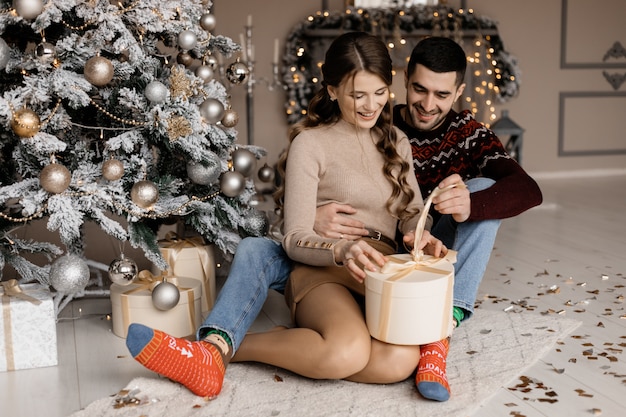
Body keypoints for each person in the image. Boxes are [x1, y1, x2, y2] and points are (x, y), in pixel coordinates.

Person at [125, 35, 542, 402]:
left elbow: (412, 213)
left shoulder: (396, 137)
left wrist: (420, 235)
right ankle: (206, 355)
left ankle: (231, 348)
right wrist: (340, 248)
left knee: (398, 362)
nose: (371, 105)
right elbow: (293, 238)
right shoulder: (311, 143)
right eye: (358, 94)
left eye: (379, 93)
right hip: (326, 266)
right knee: (348, 351)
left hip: (384, 270)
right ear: (332, 90)